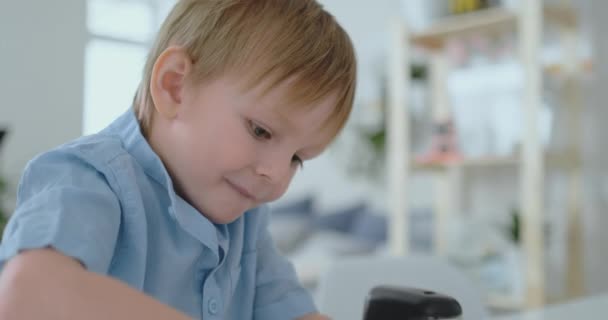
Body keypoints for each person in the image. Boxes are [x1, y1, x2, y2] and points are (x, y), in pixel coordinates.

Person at [0, 0, 356, 319]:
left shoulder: (246, 224)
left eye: (298, 158)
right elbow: (25, 291)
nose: (276, 176)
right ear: (175, 86)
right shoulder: (85, 179)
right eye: (260, 131)